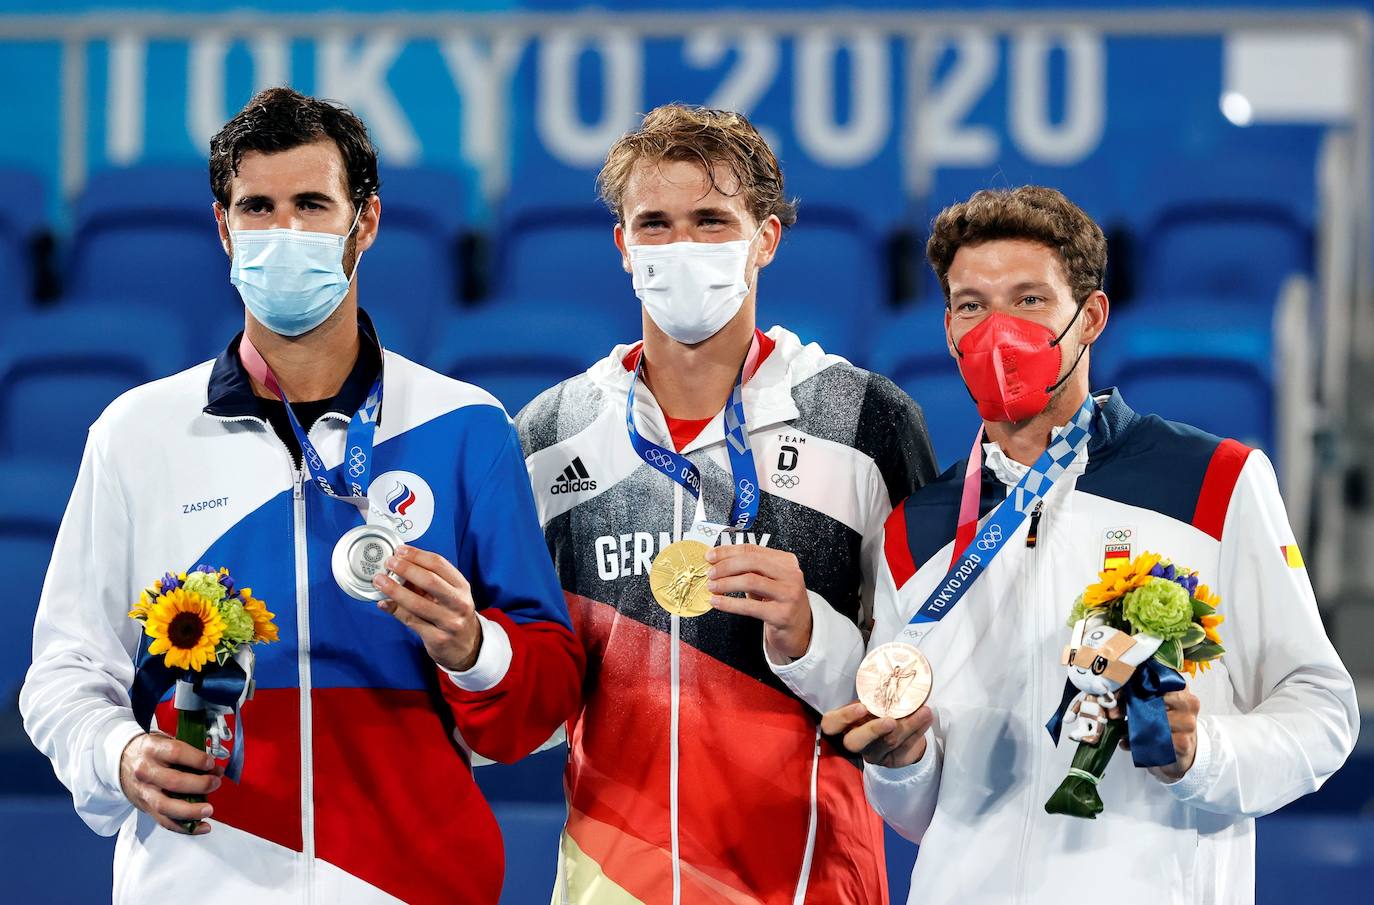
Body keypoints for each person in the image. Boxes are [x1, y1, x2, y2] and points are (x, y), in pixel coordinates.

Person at [21, 87, 584, 905]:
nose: (283, 232)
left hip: (413, 884)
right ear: (223, 227)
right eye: (257, 206)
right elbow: (67, 666)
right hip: (198, 880)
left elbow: (547, 698)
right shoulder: (137, 434)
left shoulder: (466, 427)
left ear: (368, 222)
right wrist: (118, 753)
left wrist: (473, 648)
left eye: (312, 204)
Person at [814, 186, 1358, 904]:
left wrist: (1203, 753)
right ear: (947, 329)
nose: (996, 332)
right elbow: (921, 811)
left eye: (1029, 300)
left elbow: (1322, 712)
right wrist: (902, 759)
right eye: (972, 306)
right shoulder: (915, 529)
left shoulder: (1215, 481)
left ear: (1090, 317)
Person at [515, 104, 938, 904]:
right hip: (611, 883)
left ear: (765, 238)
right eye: (656, 223)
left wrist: (815, 638)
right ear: (624, 247)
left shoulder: (863, 420)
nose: (681, 247)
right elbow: (527, 712)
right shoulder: (552, 433)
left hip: (810, 880)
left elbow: (922, 682)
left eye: (712, 220)